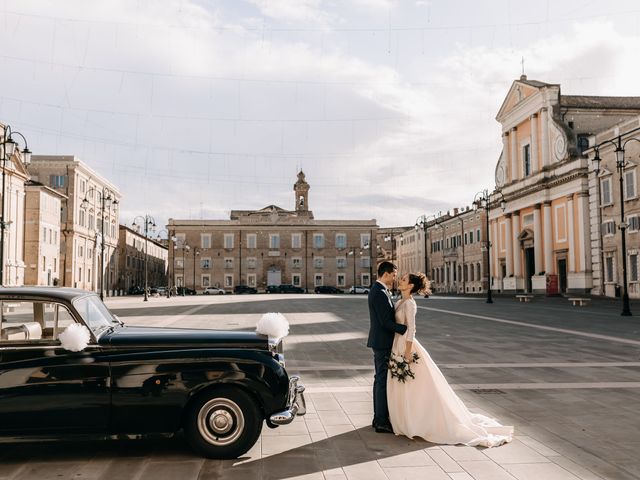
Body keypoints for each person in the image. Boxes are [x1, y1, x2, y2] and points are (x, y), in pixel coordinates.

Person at [387, 272, 514, 447]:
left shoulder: (409, 303)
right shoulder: (400, 301)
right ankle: (404, 418)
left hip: (406, 346)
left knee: (413, 383)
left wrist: (408, 352)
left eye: (403, 280)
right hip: (397, 344)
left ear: (410, 286)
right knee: (405, 383)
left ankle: (416, 420)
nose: (400, 281)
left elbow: (412, 329)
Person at [367, 261, 408, 433]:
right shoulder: (379, 292)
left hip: (380, 341)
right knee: (382, 381)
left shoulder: (381, 291)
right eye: (393, 274)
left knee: (380, 380)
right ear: (386, 274)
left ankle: (378, 418)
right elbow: (385, 322)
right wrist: (404, 329)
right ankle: (382, 421)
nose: (395, 278)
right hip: (382, 342)